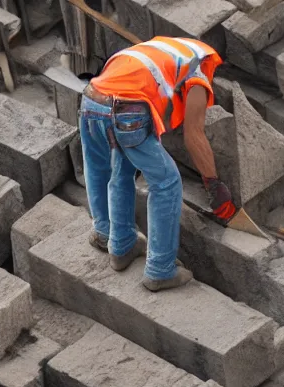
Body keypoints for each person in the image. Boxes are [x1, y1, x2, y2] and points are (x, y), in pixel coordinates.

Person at [79, 36, 235, 292]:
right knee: (167, 182)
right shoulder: (197, 70)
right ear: (210, 62)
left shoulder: (163, 50)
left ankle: (116, 242)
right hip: (126, 110)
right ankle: (160, 270)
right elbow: (194, 134)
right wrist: (213, 183)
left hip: (91, 99)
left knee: (114, 167)